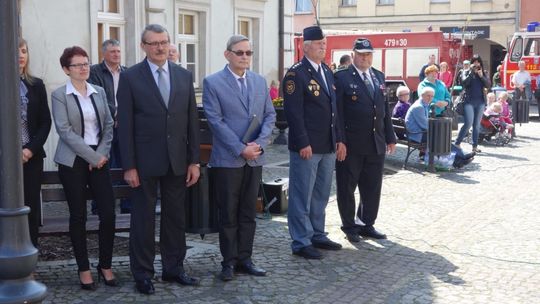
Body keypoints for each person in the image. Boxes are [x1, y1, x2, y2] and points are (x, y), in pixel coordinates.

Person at [117, 24, 200, 295]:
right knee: (143, 220)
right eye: (154, 43)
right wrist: (129, 165)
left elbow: (191, 122)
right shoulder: (130, 78)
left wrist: (194, 161)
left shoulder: (184, 76)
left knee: (175, 218)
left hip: (177, 161)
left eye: (164, 42)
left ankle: (174, 268)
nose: (160, 47)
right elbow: (125, 125)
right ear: (143, 46)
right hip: (143, 163)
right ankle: (142, 273)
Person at [202, 35, 276, 281]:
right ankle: (228, 262)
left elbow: (269, 115)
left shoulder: (259, 81)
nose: (245, 57)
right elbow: (215, 120)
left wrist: (260, 144)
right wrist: (239, 148)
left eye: (248, 53)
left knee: (248, 213)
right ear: (228, 54)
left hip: (254, 158)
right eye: (240, 52)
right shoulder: (213, 82)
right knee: (228, 214)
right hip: (228, 160)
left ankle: (245, 258)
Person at [51, 46, 116, 290]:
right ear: (67, 69)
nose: (84, 67)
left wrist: (99, 155)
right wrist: (90, 156)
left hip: (99, 159)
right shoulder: (59, 95)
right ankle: (84, 268)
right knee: (78, 216)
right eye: (78, 65)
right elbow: (64, 130)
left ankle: (105, 265)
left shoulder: (98, 91)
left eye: (86, 63)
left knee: (108, 213)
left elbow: (109, 125)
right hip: (73, 161)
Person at [282, 25, 344, 259]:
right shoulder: (296, 74)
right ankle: (300, 240)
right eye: (319, 44)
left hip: (327, 144)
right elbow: (293, 112)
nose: (323, 47)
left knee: (321, 193)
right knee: (301, 194)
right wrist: (302, 142)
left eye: (325, 43)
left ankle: (317, 233)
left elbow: (333, 110)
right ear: (306, 46)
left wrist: (338, 139)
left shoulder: (327, 71)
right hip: (307, 146)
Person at [334, 38, 396, 243]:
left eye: (368, 54)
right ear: (353, 55)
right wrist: (339, 140)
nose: (365, 58)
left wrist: (390, 136)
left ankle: (366, 223)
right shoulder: (341, 77)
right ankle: (349, 225)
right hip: (351, 144)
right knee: (347, 187)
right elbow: (338, 114)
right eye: (361, 54)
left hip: (375, 141)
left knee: (372, 186)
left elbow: (384, 110)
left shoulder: (378, 76)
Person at [88, 39, 129, 214]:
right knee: (105, 165)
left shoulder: (127, 72)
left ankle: (127, 204)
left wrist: (125, 115)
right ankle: (101, 206)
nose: (117, 55)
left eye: (118, 51)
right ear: (103, 53)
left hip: (125, 127)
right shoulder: (94, 72)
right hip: (103, 127)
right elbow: (97, 97)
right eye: (113, 51)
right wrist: (116, 114)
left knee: (126, 163)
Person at [18, 38, 52, 248]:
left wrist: (29, 150)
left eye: (24, 51)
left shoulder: (36, 85)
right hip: (5, 158)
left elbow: (45, 122)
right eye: (15, 51)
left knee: (30, 207)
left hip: (30, 157)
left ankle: (30, 258)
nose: (21, 55)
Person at [454, 54, 491, 153]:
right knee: (468, 123)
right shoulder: (465, 72)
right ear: (471, 63)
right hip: (469, 101)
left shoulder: (483, 72)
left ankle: (474, 146)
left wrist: (481, 76)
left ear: (480, 63)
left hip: (480, 102)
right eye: (474, 62)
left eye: (477, 61)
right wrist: (471, 72)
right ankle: (457, 143)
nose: (476, 64)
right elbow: (464, 83)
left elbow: (488, 85)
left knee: (476, 125)